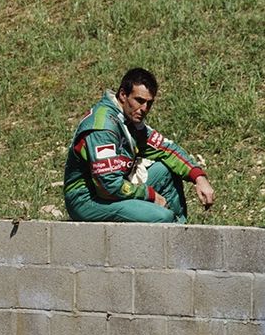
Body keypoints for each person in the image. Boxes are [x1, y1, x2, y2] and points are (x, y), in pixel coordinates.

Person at [63, 67, 215, 223]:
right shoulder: (103, 128)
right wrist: (150, 195)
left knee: (165, 171)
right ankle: (170, 232)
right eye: (139, 101)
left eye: (149, 103)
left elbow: (167, 149)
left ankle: (180, 230)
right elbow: (108, 186)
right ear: (123, 95)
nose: (144, 109)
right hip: (87, 199)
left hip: (114, 186)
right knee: (162, 217)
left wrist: (199, 177)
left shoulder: (129, 121)